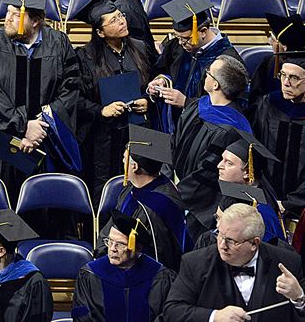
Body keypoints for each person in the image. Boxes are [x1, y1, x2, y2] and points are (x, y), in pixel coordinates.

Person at [0, 0, 82, 191]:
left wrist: (43, 122)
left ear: (36, 21)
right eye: (8, 12)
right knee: (7, 204)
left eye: (16, 14)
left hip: (47, 139)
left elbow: (71, 87)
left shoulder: (59, 43)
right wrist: (22, 126)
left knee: (45, 206)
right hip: (6, 142)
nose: (8, 19)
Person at [161, 203, 305, 322]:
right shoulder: (195, 263)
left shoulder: (288, 263)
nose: (222, 245)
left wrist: (299, 298)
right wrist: (214, 316)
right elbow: (172, 311)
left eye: (231, 240)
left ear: (254, 243)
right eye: (220, 235)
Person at [73, 0, 153, 197]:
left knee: (141, 185)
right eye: (114, 20)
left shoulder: (140, 48)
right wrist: (101, 111)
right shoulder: (84, 57)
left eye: (121, 16)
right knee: (105, 189)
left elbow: (151, 85)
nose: (121, 22)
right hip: (102, 137)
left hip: (138, 131)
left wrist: (147, 101)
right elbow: (75, 100)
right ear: (100, 32)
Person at [172, 50, 253, 243]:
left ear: (215, 84)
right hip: (178, 185)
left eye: (208, 72)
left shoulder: (231, 128)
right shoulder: (198, 105)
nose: (205, 73)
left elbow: (208, 175)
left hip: (200, 205)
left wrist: (175, 193)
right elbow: (174, 141)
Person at [148, 0, 242, 131]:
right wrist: (160, 81)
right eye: (177, 37)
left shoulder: (227, 60)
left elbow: (231, 107)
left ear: (203, 31)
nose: (180, 43)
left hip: (203, 134)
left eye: (185, 38)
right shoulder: (177, 46)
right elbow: (162, 69)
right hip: (174, 128)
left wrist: (186, 102)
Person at [108, 127, 189, 271]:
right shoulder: (131, 189)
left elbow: (161, 255)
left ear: (135, 167)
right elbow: (112, 225)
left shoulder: (159, 205)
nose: (122, 160)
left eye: (125, 158)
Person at [72, 210, 175, 322]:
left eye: (120, 244)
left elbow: (168, 316)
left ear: (137, 248)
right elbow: (82, 316)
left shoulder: (161, 277)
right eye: (110, 241)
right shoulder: (90, 274)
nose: (112, 249)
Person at [251, 48, 305, 219]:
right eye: (283, 75)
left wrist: (289, 204)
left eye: (294, 78)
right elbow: (255, 148)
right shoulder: (269, 104)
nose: (286, 83)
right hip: (265, 200)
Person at [215, 132, 286, 244]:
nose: (219, 166)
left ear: (247, 172)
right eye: (222, 159)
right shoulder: (234, 192)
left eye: (228, 163)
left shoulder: (261, 211)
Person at [251, 13, 305, 107]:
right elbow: (255, 102)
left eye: (273, 39)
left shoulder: (268, 64)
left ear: (284, 47)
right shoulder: (267, 65)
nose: (270, 42)